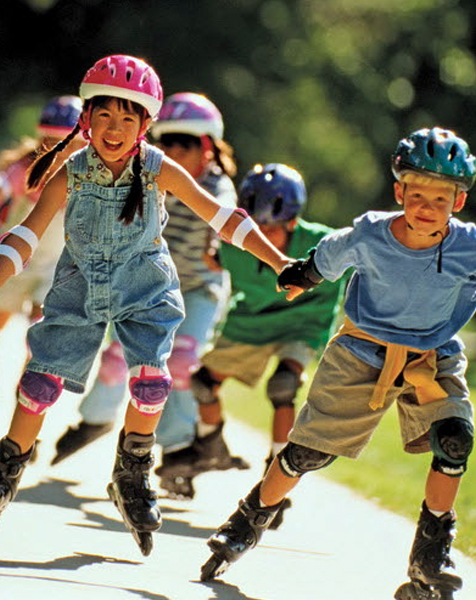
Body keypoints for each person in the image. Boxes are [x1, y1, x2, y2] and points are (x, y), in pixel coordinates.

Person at [0, 54, 295, 556]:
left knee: (152, 380)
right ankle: (1, 477)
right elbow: (26, 233)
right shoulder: (70, 172)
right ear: (86, 119)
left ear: (145, 125)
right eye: (105, 115)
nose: (114, 129)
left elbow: (223, 217)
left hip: (145, 288)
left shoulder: (158, 169)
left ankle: (132, 473)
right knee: (39, 384)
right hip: (78, 287)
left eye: (127, 118)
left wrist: (279, 261)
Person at [200, 127, 476, 600]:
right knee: (307, 452)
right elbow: (328, 254)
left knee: (455, 442)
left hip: (433, 357)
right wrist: (302, 275)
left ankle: (431, 554)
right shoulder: (371, 233)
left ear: (459, 201)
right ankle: (247, 521)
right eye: (417, 194)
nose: (427, 206)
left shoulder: (468, 245)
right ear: (399, 192)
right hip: (362, 352)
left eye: (440, 197)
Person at [51, 91, 250, 499]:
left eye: (185, 144)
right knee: (119, 357)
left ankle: (178, 449)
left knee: (180, 364)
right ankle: (96, 420)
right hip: (149, 285)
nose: (173, 151)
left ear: (207, 147)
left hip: (199, 290)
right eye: (167, 142)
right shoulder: (148, 172)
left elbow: (225, 215)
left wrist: (217, 247)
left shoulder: (216, 185)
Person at [190, 162, 346, 522]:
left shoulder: (323, 244)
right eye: (255, 228)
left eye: (271, 229)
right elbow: (210, 259)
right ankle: (210, 445)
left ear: (293, 222)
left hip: (304, 322)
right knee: (202, 384)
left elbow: (362, 260)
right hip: (252, 324)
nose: (261, 238)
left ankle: (275, 476)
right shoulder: (234, 248)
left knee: (283, 385)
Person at [0, 96, 86, 440]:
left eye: (68, 144)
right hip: (14, 265)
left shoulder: (87, 178)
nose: (59, 151)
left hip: (55, 270)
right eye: (51, 141)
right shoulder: (26, 169)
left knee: (40, 341)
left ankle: (28, 410)